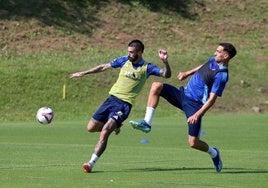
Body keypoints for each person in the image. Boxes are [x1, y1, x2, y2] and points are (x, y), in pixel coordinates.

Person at [130, 43, 237, 172]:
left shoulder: (222, 76)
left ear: (225, 55)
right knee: (156, 86)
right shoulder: (212, 60)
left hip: (195, 106)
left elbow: (212, 99)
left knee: (193, 143)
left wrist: (197, 114)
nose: (215, 53)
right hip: (183, 95)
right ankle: (147, 122)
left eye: (218, 51)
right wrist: (187, 73)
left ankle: (214, 153)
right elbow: (202, 67)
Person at [70, 39, 171, 173]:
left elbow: (166, 74)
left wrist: (165, 62)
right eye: (128, 52)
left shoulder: (147, 67)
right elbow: (103, 66)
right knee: (91, 128)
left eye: (132, 52)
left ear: (139, 53)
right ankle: (116, 125)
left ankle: (91, 163)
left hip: (124, 105)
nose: (129, 54)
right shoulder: (123, 61)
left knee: (105, 130)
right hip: (110, 100)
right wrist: (83, 73)